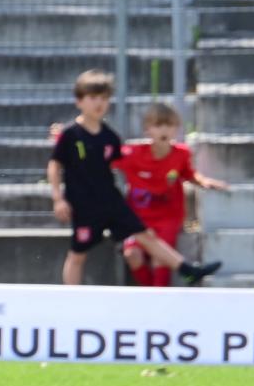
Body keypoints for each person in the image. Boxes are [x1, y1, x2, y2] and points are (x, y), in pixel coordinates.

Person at [47, 70, 221, 286]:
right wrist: (58, 198)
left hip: (111, 200)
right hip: (84, 204)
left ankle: (188, 270)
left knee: (144, 235)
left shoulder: (110, 136)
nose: (99, 103)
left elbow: (126, 162)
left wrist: (163, 157)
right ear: (79, 101)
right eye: (92, 97)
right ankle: (71, 296)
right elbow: (55, 165)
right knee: (78, 254)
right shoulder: (70, 135)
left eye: (104, 98)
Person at [114, 102, 229, 287]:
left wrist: (204, 181)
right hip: (138, 218)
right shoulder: (132, 154)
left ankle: (159, 296)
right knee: (132, 254)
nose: (164, 130)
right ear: (147, 129)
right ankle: (150, 294)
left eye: (169, 125)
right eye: (158, 125)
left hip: (168, 217)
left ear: (177, 128)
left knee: (161, 259)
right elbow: (104, 160)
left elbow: (189, 174)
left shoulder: (181, 154)